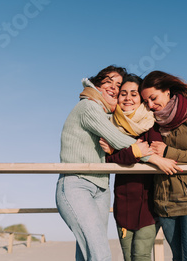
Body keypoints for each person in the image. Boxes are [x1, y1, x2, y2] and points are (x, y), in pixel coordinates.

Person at [56, 65, 152, 261]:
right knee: (101, 254)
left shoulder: (109, 116)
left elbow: (114, 144)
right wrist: (150, 155)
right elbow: (116, 138)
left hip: (101, 188)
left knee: (86, 253)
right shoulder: (89, 107)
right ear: (97, 84)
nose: (114, 87)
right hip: (77, 184)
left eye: (118, 85)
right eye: (108, 81)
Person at [99, 74, 181, 261]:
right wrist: (134, 152)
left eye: (134, 94)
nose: (128, 98)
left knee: (141, 256)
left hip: (149, 207)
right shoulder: (112, 126)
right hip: (122, 206)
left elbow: (154, 153)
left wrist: (129, 153)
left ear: (141, 100)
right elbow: (109, 159)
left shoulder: (151, 125)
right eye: (124, 94)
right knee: (128, 257)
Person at [140, 70, 187, 261]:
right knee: (177, 257)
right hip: (162, 201)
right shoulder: (152, 122)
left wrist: (167, 152)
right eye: (146, 101)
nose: (150, 105)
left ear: (167, 91)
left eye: (153, 98)